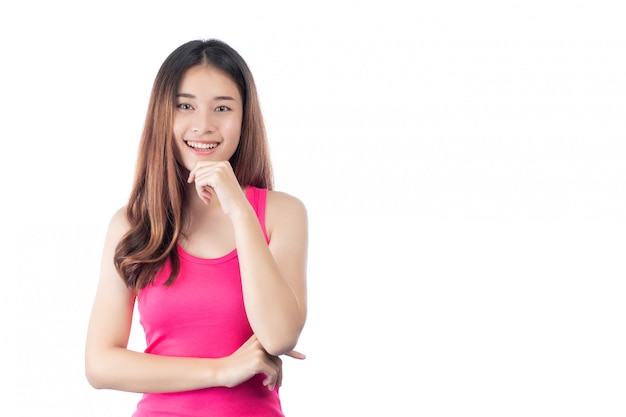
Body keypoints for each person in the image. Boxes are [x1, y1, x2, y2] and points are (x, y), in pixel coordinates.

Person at [85, 39, 308, 417]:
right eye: (185, 106)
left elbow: (279, 334)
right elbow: (100, 364)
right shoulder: (132, 224)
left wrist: (239, 208)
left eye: (222, 107)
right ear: (163, 115)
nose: (203, 125)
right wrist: (222, 370)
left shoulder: (280, 213)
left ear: (244, 117)